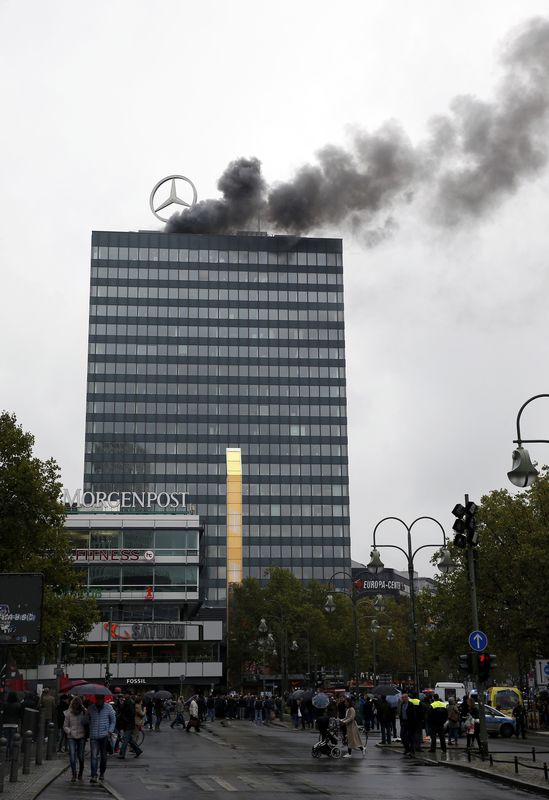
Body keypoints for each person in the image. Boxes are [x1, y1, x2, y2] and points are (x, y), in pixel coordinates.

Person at [88, 695, 116, 783]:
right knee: (94, 757)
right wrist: (86, 715)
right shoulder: (91, 708)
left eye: (101, 698)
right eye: (98, 698)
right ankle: (93, 775)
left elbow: (113, 721)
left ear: (103, 699)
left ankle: (102, 773)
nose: (99, 700)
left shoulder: (108, 708)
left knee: (103, 757)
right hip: (94, 736)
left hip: (104, 736)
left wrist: (110, 731)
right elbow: (85, 721)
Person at [63, 696, 88, 782]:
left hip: (81, 736)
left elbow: (86, 723)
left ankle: (80, 773)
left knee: (81, 756)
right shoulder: (69, 713)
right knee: (72, 756)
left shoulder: (83, 712)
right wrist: (69, 731)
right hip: (71, 737)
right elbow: (65, 726)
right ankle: (74, 774)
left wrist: (86, 713)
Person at [116, 693, 143, 759]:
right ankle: (138, 751)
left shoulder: (131, 702)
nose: (124, 696)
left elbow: (132, 713)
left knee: (125, 739)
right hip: (126, 724)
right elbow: (121, 709)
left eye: (125, 695)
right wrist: (119, 702)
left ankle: (122, 754)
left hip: (129, 724)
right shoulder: (126, 702)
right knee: (129, 740)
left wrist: (126, 720)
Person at [0, 691, 23, 757]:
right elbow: (20, 715)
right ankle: (11, 753)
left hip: (6, 723)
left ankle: (6, 753)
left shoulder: (5, 704)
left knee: (6, 739)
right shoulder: (18, 705)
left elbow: (3, 714)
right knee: (13, 739)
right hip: (14, 724)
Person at [399, 693, 416, 757]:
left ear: (406, 698)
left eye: (403, 698)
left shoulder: (411, 705)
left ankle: (412, 750)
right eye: (402, 698)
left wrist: (413, 723)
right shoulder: (402, 704)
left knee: (410, 737)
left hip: (410, 722)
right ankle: (407, 748)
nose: (402, 699)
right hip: (403, 722)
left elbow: (413, 714)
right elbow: (401, 713)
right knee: (402, 736)